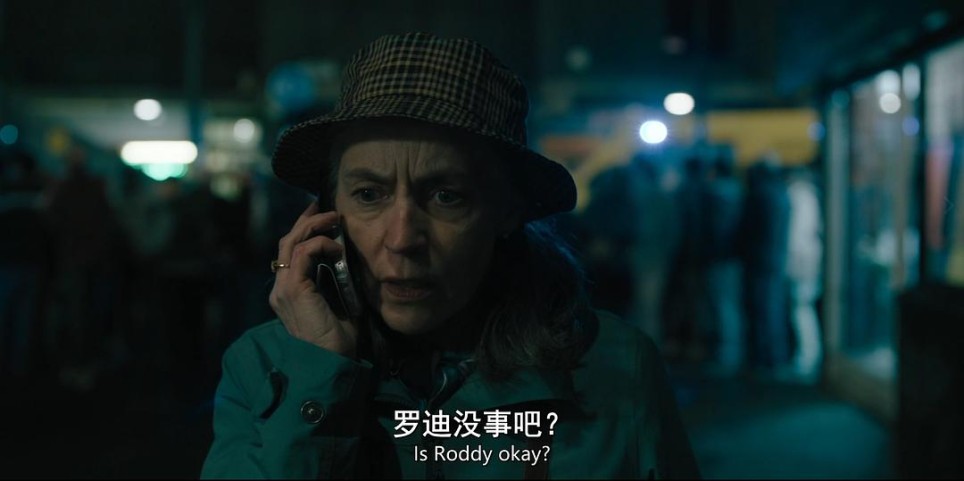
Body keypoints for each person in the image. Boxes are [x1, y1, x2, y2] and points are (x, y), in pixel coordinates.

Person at [201, 32, 699, 479]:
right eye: (369, 195)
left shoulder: (613, 368)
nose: (402, 239)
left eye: (446, 196)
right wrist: (318, 377)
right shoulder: (265, 368)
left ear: (506, 210)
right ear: (326, 215)